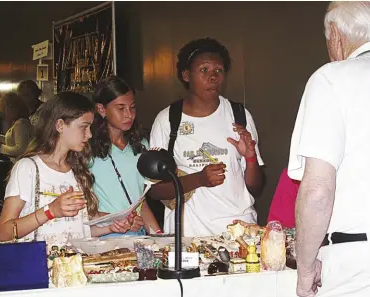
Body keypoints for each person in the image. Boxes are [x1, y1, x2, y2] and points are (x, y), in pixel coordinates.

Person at [287, 2, 370, 297]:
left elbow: (318, 190)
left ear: (335, 33)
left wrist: (305, 268)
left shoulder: (332, 78)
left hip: (357, 266)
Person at [148, 38, 264, 237]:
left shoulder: (239, 115)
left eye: (218, 71)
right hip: (187, 234)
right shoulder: (167, 120)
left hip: (238, 230)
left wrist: (251, 158)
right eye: (204, 70)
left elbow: (255, 186)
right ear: (186, 75)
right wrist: (199, 179)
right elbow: (155, 191)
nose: (213, 77)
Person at [0, 92, 136, 246]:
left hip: (73, 265)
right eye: (84, 127)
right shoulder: (28, 168)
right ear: (60, 125)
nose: (89, 134)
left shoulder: (77, 170)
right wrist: (50, 211)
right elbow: (3, 232)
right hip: (40, 266)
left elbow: (78, 230)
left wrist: (110, 226)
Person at [90, 76, 161, 237]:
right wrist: (116, 221)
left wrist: (158, 235)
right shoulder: (88, 149)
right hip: (104, 236)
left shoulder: (141, 144)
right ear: (101, 109)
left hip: (138, 234)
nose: (129, 115)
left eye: (133, 107)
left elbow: (140, 203)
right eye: (121, 108)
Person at [0, 92, 33, 160]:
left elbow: (20, 149)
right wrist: (5, 143)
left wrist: (1, 147)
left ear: (11, 109)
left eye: (4, 111)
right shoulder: (21, 123)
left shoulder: (20, 124)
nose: (4, 115)